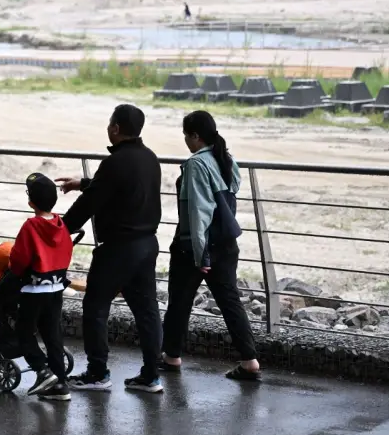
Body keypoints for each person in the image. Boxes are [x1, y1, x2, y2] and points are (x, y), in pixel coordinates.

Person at [57, 104, 164, 393]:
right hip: (147, 245)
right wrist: (83, 183)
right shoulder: (150, 158)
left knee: (95, 307)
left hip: (118, 248)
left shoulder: (115, 162)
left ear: (115, 128)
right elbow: (120, 188)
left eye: (109, 123)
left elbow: (90, 203)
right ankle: (151, 376)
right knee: (146, 311)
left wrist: (61, 229)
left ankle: (97, 373)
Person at [160, 111, 261, 381]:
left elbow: (199, 211)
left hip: (196, 247)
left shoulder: (196, 164)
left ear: (195, 136)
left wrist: (200, 254)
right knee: (230, 301)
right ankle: (250, 361)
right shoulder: (226, 158)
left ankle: (171, 357)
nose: (185, 141)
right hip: (226, 244)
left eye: (186, 136)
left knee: (180, 302)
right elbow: (229, 195)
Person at [8, 173, 74, 401]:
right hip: (55, 288)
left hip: (33, 291)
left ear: (30, 202)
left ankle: (42, 370)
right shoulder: (60, 224)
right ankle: (60, 384)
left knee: (24, 333)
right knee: (52, 334)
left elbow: (19, 260)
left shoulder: (30, 226)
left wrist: (14, 272)